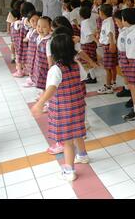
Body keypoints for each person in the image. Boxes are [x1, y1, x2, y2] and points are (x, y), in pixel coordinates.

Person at [31, 33, 89, 182]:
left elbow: (51, 89)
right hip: (77, 105)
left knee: (67, 142)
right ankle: (82, 155)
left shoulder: (55, 70)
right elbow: (82, 79)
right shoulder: (77, 64)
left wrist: (40, 103)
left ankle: (69, 170)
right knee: (78, 132)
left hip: (63, 109)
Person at [97, 4, 118, 94]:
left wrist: (112, 44)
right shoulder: (107, 21)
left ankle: (108, 86)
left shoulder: (108, 22)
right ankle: (113, 82)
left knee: (107, 68)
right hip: (108, 45)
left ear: (102, 13)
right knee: (112, 66)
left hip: (108, 46)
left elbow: (110, 34)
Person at [79, 6, 98, 84]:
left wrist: (97, 42)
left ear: (80, 15)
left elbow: (90, 34)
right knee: (90, 60)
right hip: (90, 43)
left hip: (87, 44)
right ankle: (90, 75)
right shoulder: (90, 21)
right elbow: (94, 31)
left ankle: (92, 77)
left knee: (88, 61)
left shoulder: (85, 23)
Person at [22, 11, 41, 88]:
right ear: (29, 22)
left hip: (36, 53)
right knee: (31, 66)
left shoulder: (39, 31)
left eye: (37, 20)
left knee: (35, 67)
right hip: (30, 52)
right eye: (32, 21)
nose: (35, 22)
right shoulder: (31, 31)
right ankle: (31, 78)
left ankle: (34, 80)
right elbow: (26, 39)